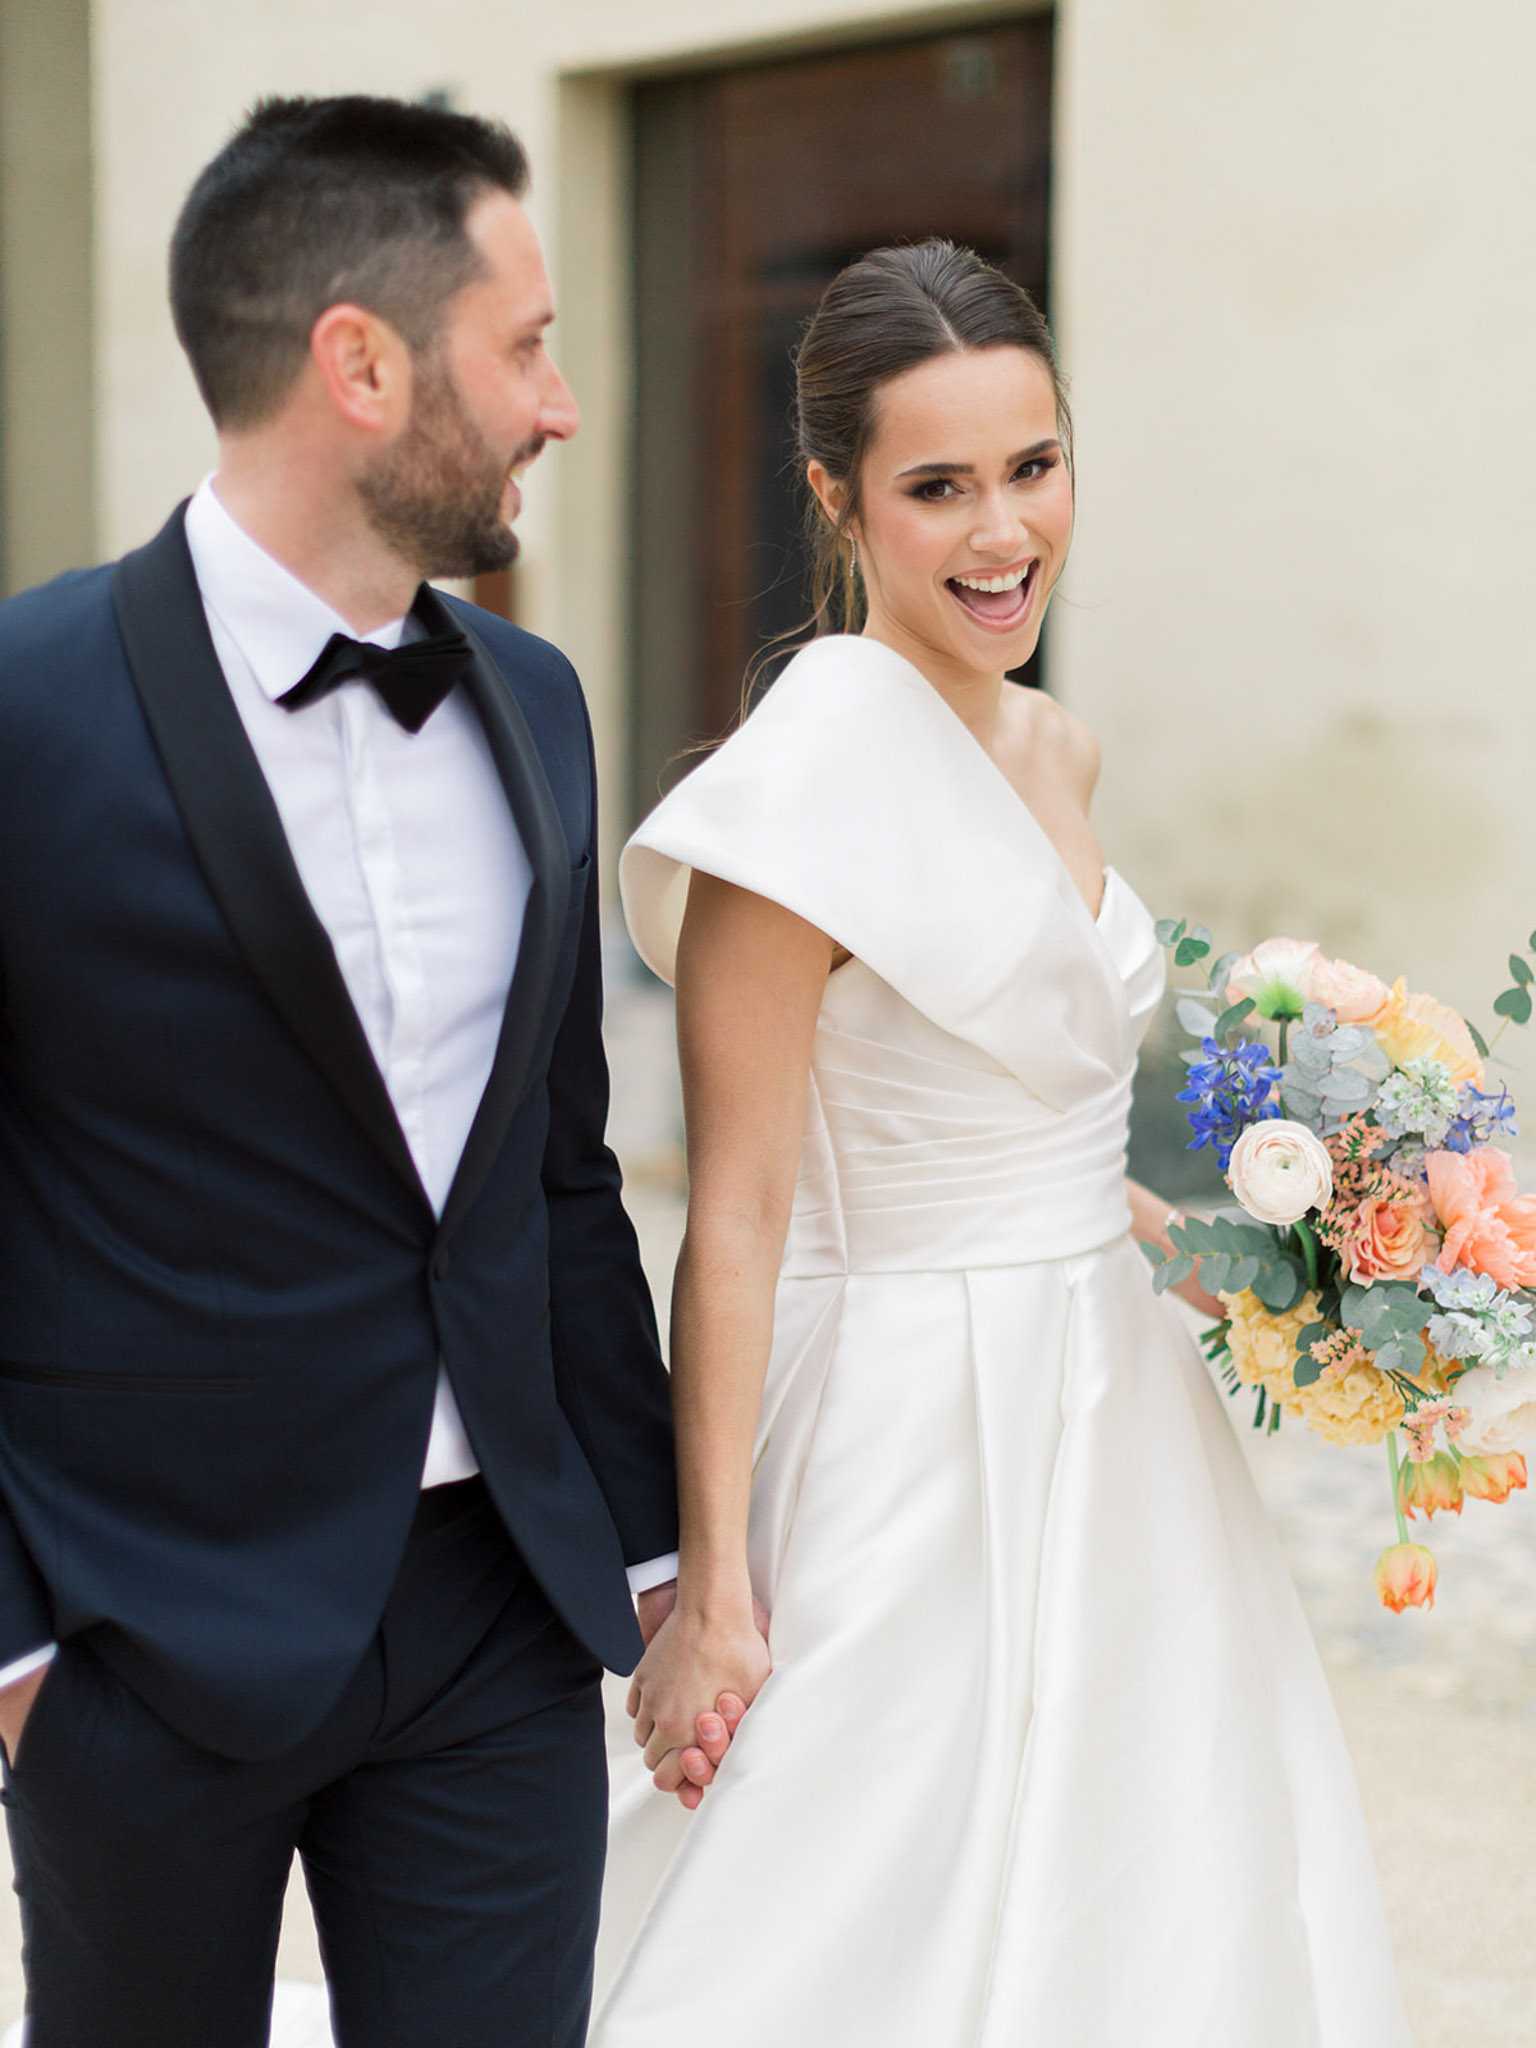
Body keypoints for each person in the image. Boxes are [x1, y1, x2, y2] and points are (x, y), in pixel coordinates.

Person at [590, 242, 1412, 2045]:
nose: (1000, 532)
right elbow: (728, 1220)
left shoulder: (1062, 747)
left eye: (1032, 468)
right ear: (837, 494)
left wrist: (1288, 1267)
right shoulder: (785, 807)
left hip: (1118, 1406)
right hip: (898, 1411)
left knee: (1151, 1859)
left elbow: (1033, 1111)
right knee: (856, 1877)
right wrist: (711, 1595)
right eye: (937, 486)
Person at [0, 94, 684, 2048]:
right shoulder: (22, 711)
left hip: (497, 1621)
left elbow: (560, 1169)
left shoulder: (538, 706)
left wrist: (640, 1553)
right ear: (361, 364)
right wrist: (21, 1647)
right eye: (530, 343)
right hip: (140, 1632)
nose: (562, 404)